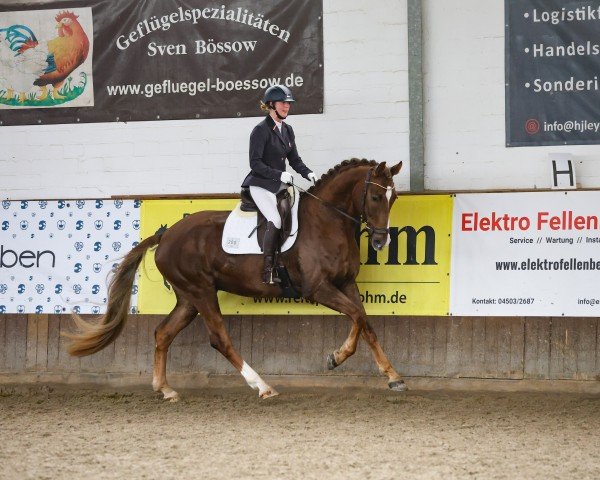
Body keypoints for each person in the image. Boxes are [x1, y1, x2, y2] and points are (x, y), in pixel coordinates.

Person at [241, 85, 316, 284]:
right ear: (271, 105)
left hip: (279, 186)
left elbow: (295, 159)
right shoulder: (260, 130)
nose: (287, 107)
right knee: (275, 219)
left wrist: (307, 173)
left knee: (294, 215)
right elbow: (255, 163)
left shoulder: (288, 130)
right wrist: (278, 174)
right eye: (283, 103)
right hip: (260, 185)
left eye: (288, 103)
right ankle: (268, 270)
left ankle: (284, 262)